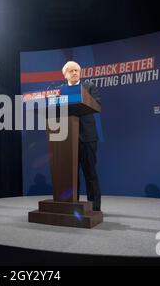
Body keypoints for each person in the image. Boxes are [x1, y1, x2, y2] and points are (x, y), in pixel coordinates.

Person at [61, 61, 102, 211]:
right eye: (71, 71)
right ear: (65, 74)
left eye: (77, 70)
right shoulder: (61, 90)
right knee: (71, 175)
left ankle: (95, 207)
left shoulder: (89, 87)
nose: (74, 73)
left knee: (90, 172)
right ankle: (73, 205)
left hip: (87, 136)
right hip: (67, 138)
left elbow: (97, 105)